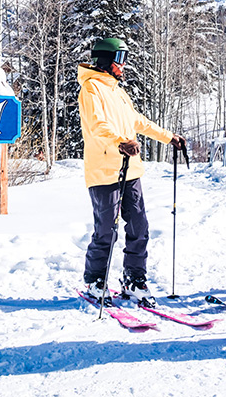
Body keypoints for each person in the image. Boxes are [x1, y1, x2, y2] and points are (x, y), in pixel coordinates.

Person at [78, 37, 185, 307]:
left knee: (139, 227)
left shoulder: (116, 90)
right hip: (105, 171)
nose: (123, 66)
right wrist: (120, 142)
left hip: (130, 171)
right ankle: (95, 280)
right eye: (120, 60)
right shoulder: (91, 89)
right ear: (106, 61)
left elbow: (138, 121)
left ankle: (133, 279)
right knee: (106, 230)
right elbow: (97, 125)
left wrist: (168, 137)